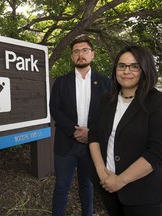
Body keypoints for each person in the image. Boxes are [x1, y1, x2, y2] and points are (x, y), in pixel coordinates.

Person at [88, 45, 162, 216]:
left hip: (144, 193)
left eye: (134, 66)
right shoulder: (106, 99)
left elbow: (158, 152)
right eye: (122, 66)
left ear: (144, 69)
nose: (126, 71)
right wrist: (101, 171)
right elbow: (94, 135)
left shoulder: (158, 102)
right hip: (108, 186)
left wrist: (120, 180)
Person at [50, 34, 110, 216]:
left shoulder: (106, 83)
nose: (80, 54)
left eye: (84, 50)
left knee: (87, 185)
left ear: (92, 54)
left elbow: (109, 114)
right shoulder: (61, 82)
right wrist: (73, 130)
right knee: (61, 186)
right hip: (66, 144)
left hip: (92, 145)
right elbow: (55, 109)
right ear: (72, 57)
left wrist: (90, 133)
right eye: (76, 51)